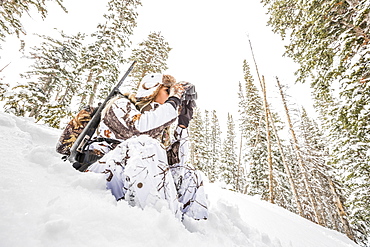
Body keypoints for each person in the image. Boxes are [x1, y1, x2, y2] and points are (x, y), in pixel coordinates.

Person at [86, 73, 208, 220]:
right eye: (168, 91)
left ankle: (188, 231)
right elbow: (139, 128)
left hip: (134, 180)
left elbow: (176, 168)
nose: (172, 97)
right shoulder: (120, 105)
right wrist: (174, 100)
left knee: (190, 174)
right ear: (152, 89)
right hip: (103, 172)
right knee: (146, 144)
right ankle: (156, 223)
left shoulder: (158, 127)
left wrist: (183, 124)